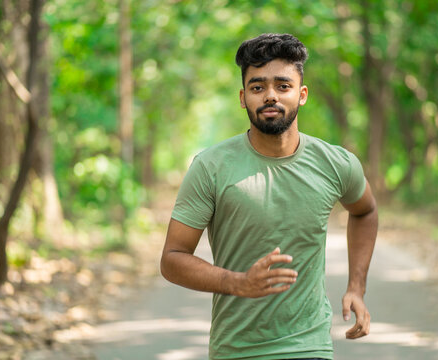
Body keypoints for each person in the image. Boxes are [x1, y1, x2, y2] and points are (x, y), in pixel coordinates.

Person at [160, 33, 378, 360]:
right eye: (258, 87)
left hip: (310, 345)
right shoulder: (211, 167)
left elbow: (365, 211)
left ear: (301, 94)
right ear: (243, 96)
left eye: (283, 86)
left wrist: (356, 287)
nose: (270, 96)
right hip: (236, 349)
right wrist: (238, 283)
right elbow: (172, 259)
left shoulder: (335, 163)